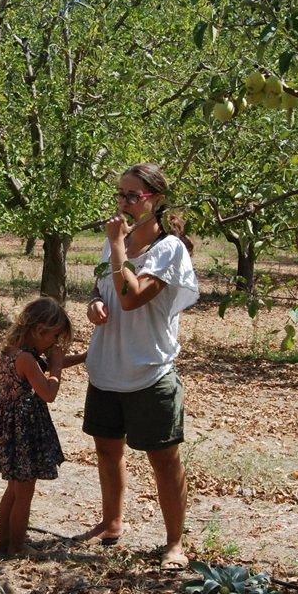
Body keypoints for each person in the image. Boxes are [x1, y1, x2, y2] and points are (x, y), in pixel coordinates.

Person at [80, 163, 200, 570]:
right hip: (107, 368)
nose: (124, 203)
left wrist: (117, 245)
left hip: (149, 371)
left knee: (164, 460)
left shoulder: (169, 250)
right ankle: (111, 523)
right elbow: (105, 290)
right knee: (106, 450)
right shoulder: (116, 242)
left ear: (156, 200)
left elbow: (132, 298)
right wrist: (93, 303)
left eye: (134, 196)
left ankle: (174, 543)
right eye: (121, 194)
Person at [0, 297, 85, 556]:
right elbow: (48, 392)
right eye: (54, 337)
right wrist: (57, 367)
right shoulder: (26, 359)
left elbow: (50, 364)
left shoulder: (14, 351)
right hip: (24, 431)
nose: (55, 343)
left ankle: (3, 542)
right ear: (39, 331)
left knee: (14, 489)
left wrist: (82, 358)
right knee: (24, 492)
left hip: (11, 427)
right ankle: (17, 546)